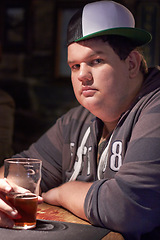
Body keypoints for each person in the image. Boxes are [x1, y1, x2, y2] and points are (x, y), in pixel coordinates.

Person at [0, 1, 160, 239]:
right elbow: (22, 171)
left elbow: (130, 208)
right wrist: (3, 190)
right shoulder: (74, 121)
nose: (82, 75)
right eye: (75, 66)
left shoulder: (155, 108)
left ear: (132, 64)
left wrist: (64, 193)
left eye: (96, 61)